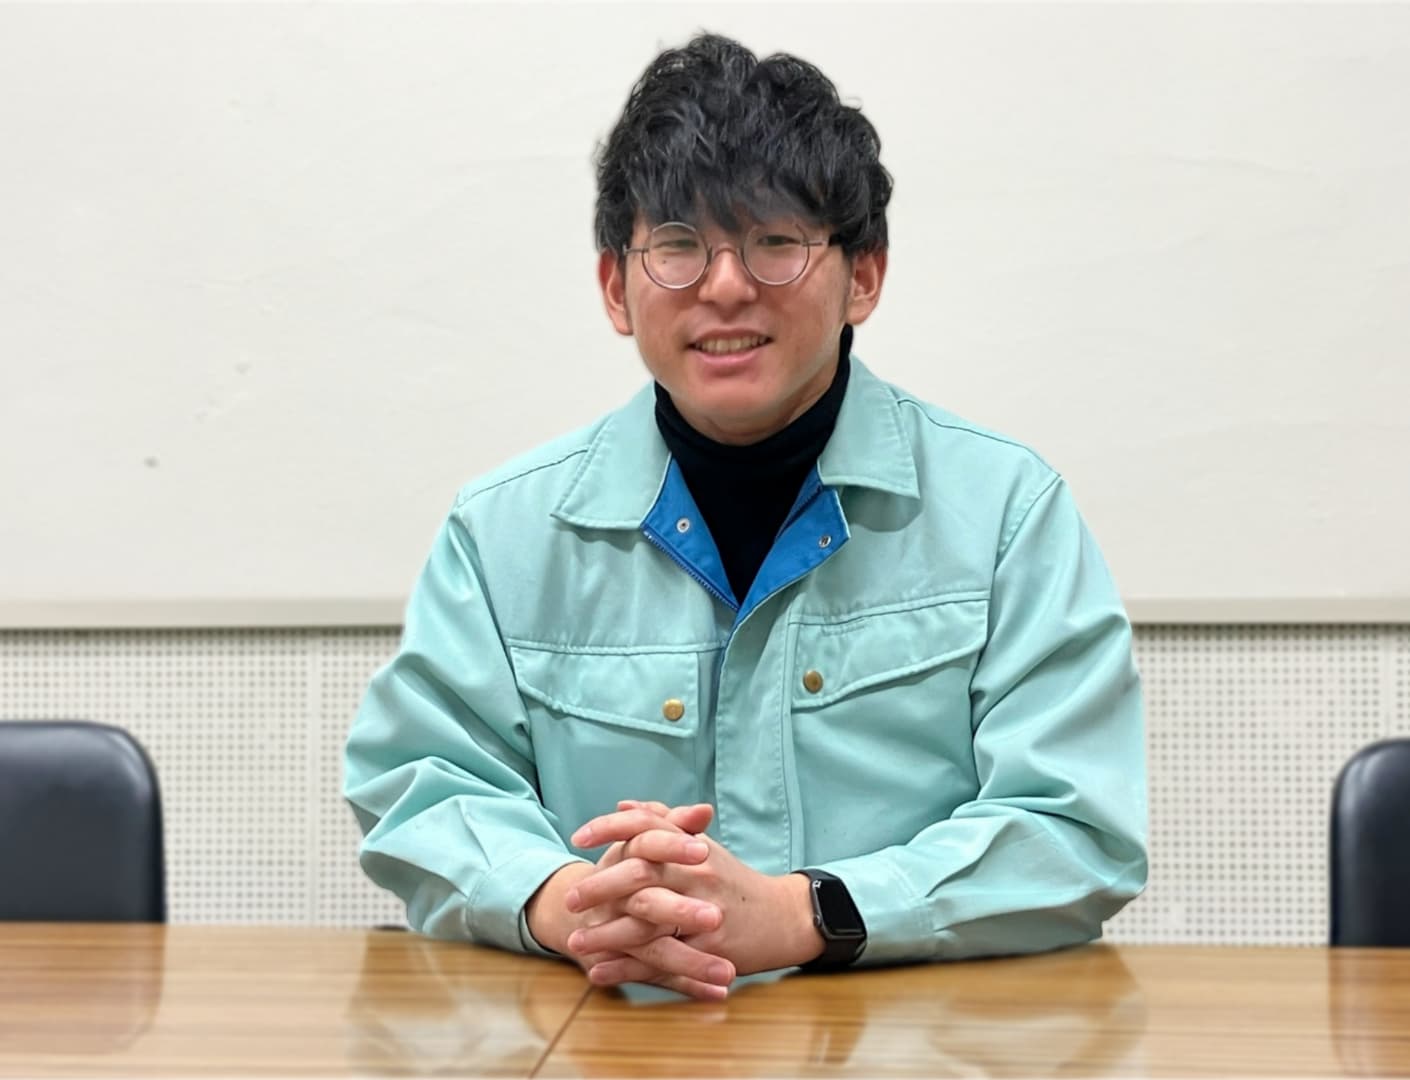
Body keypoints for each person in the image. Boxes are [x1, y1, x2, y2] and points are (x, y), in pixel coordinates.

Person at [344, 32, 1147, 1002]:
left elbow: (1074, 828)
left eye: (775, 242)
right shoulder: (503, 532)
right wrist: (570, 903)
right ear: (616, 289)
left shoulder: (1007, 512)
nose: (725, 286)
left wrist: (806, 915)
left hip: (897, 1046)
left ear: (863, 276)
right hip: (614, 1045)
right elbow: (423, 785)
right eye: (679, 246)